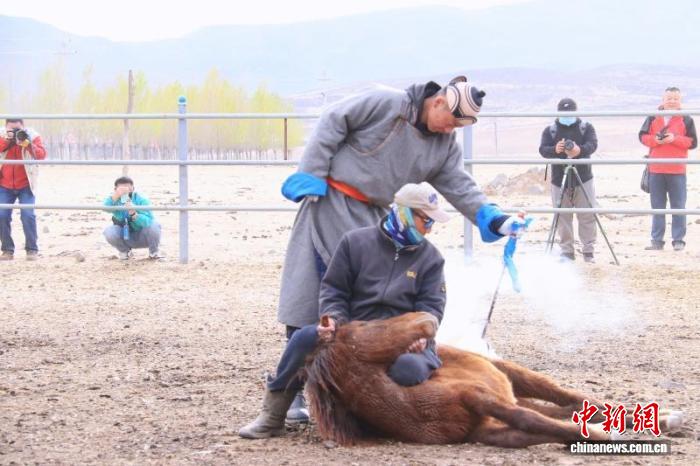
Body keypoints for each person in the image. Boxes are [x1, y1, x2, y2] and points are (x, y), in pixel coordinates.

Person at [277, 77, 526, 422]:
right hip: (329, 201)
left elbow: (459, 185)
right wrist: (312, 172)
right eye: (451, 121)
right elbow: (334, 118)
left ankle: (350, 386)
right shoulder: (385, 102)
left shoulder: (443, 146)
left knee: (365, 300)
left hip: (376, 217)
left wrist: (494, 219)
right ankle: (290, 391)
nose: (450, 130)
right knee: (309, 292)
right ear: (438, 102)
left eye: (458, 127)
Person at [240, 182, 458, 439]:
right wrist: (334, 320)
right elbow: (334, 290)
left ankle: (378, 421)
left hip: (404, 340)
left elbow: (431, 308)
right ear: (404, 214)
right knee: (302, 338)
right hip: (354, 333)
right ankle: (272, 416)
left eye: (432, 223)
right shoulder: (354, 243)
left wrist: (420, 336)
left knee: (409, 369)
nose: (429, 229)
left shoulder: (431, 259)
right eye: (426, 220)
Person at [539, 98, 599, 263]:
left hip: (583, 178)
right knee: (562, 216)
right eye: (564, 112)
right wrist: (555, 149)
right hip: (559, 179)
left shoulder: (586, 127)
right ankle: (567, 251)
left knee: (587, 214)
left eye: (570, 112)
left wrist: (579, 150)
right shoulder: (550, 130)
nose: (567, 115)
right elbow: (543, 150)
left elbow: (593, 145)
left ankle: (588, 251)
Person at [639, 87, 697, 251]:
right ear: (663, 100)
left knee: (678, 206)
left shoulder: (686, 119)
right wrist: (656, 140)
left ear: (680, 101)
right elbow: (642, 137)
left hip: (677, 170)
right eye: (669, 98)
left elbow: (692, 142)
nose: (672, 101)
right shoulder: (652, 117)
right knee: (657, 206)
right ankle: (657, 240)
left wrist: (674, 139)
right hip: (656, 169)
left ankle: (678, 240)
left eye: (675, 99)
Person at [0, 118, 47, 261]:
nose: (15, 132)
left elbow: (41, 155)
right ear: (5, 127)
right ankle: (7, 250)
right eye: (11, 129)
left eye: (17, 129)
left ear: (23, 127)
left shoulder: (33, 136)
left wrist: (26, 143)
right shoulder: (1, 135)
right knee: (1, 215)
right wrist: (7, 141)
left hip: (26, 184)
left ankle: (32, 250)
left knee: (28, 215)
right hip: (4, 184)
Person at [103, 176, 162, 260]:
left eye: (127, 188)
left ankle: (154, 253)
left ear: (133, 188)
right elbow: (105, 208)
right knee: (109, 232)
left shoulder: (142, 199)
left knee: (154, 225)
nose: (124, 191)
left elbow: (148, 221)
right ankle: (125, 252)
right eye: (121, 189)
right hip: (125, 235)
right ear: (115, 189)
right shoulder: (114, 200)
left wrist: (134, 214)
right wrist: (116, 195)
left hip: (142, 235)